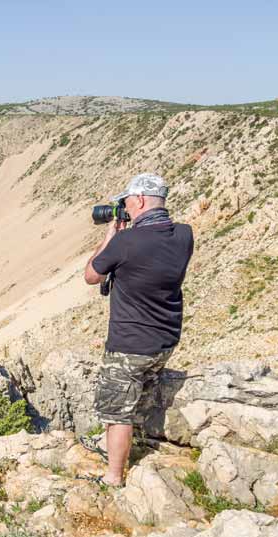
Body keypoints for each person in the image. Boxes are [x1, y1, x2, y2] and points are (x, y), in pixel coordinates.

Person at [82, 173, 194, 487]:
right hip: (164, 341)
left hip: (129, 345)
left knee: (118, 413)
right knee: (138, 397)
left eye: (127, 201)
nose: (125, 207)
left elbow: (91, 275)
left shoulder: (126, 242)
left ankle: (114, 476)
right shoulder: (184, 234)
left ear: (140, 200)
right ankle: (135, 446)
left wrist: (111, 236)